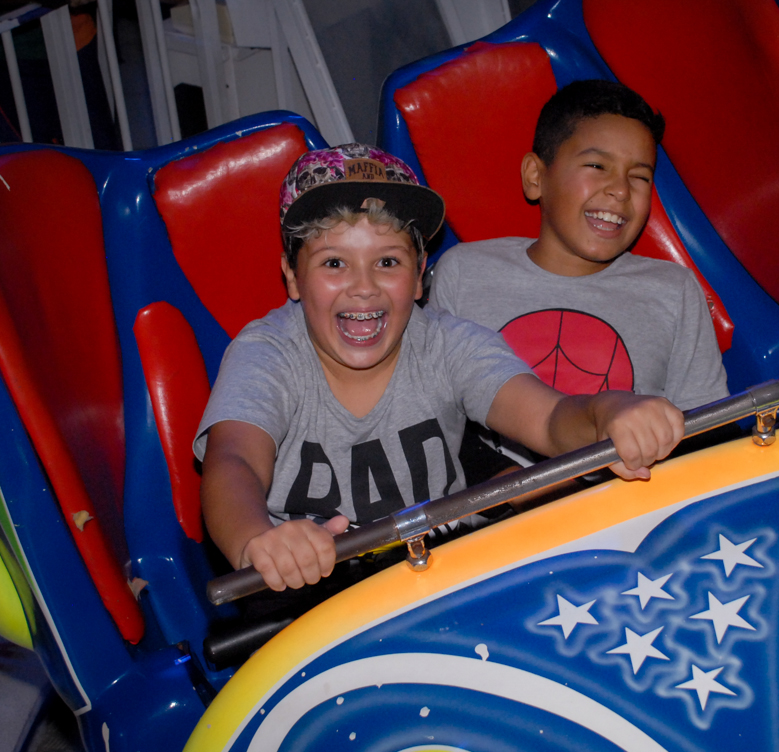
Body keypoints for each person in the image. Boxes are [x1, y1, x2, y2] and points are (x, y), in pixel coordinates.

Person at [194, 143, 684, 593]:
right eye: (334, 264)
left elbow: (549, 418)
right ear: (292, 277)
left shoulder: (450, 344)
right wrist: (256, 539)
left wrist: (609, 412)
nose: (363, 287)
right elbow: (232, 461)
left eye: (387, 262)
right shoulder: (268, 353)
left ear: (420, 276)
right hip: (309, 597)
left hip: (443, 583)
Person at [428, 80, 728, 480]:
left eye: (639, 176)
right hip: (495, 518)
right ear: (536, 176)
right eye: (597, 166)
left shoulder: (673, 290)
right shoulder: (465, 272)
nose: (620, 190)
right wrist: (507, 488)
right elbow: (430, 415)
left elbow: (710, 432)